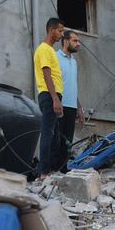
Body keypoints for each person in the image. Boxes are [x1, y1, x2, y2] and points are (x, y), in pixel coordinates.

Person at [34, 18, 65, 178]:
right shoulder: (44, 49)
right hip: (49, 95)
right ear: (51, 30)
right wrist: (55, 99)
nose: (62, 34)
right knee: (48, 133)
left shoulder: (50, 50)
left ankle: (50, 169)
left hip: (52, 95)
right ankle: (44, 171)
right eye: (60, 31)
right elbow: (47, 74)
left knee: (54, 135)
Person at [55, 30, 84, 171]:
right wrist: (55, 102)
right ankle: (51, 169)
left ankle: (63, 169)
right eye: (75, 41)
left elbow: (73, 86)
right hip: (59, 105)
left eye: (78, 41)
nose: (78, 44)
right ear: (65, 41)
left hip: (71, 106)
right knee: (56, 139)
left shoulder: (74, 61)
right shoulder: (55, 58)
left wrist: (79, 108)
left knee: (68, 141)